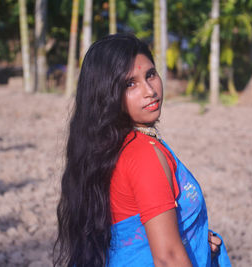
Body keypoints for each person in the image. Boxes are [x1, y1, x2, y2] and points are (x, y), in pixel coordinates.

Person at [54, 33, 231, 267]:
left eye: (150, 75)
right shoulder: (143, 154)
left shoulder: (110, 147)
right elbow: (167, 258)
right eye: (130, 84)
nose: (149, 90)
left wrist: (195, 238)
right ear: (107, 95)